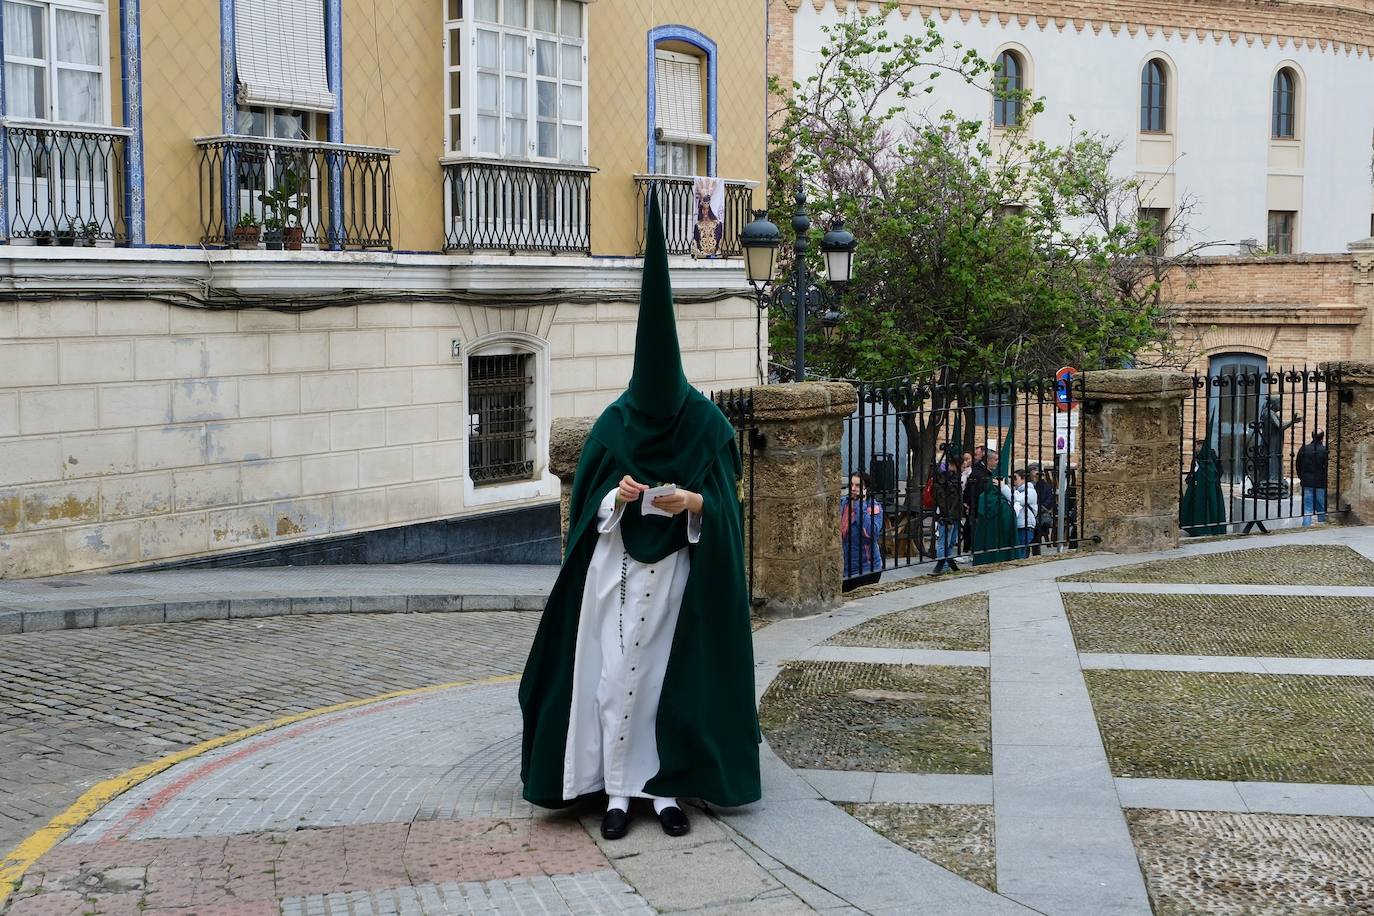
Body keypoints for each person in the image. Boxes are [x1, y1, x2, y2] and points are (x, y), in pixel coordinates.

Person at [519, 194, 759, 843]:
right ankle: (619, 790)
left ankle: (668, 788)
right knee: (612, 678)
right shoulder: (614, 426)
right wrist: (616, 500)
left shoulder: (706, 427)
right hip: (620, 577)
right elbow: (588, 509)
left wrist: (696, 505)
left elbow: (728, 508)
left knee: (667, 685)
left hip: (679, 582)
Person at [841, 471, 884, 577]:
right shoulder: (843, 503)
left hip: (866, 569)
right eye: (851, 484)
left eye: (858, 485)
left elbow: (870, 533)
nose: (853, 488)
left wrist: (860, 504)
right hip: (844, 568)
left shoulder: (873, 507)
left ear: (866, 489)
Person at [930, 451, 963, 575]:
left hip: (954, 513)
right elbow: (942, 499)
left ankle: (947, 564)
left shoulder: (953, 475)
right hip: (947, 514)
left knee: (951, 541)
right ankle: (942, 566)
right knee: (944, 541)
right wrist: (946, 515)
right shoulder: (943, 477)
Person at [1297, 429, 1328, 526]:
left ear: (1312, 436)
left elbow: (1298, 465)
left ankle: (1306, 527)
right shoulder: (1324, 450)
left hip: (1307, 482)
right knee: (1321, 507)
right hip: (1320, 482)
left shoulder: (1304, 449)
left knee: (1307, 508)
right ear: (1322, 437)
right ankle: (1322, 525)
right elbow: (1326, 467)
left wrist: (1301, 477)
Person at [1006, 469, 1038, 559]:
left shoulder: (1030, 491)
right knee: (1018, 552)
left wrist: (1003, 488)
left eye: (1015, 478)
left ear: (1023, 479)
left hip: (1025, 526)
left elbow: (1017, 499)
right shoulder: (1015, 490)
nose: (1013, 481)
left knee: (1020, 553)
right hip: (1018, 526)